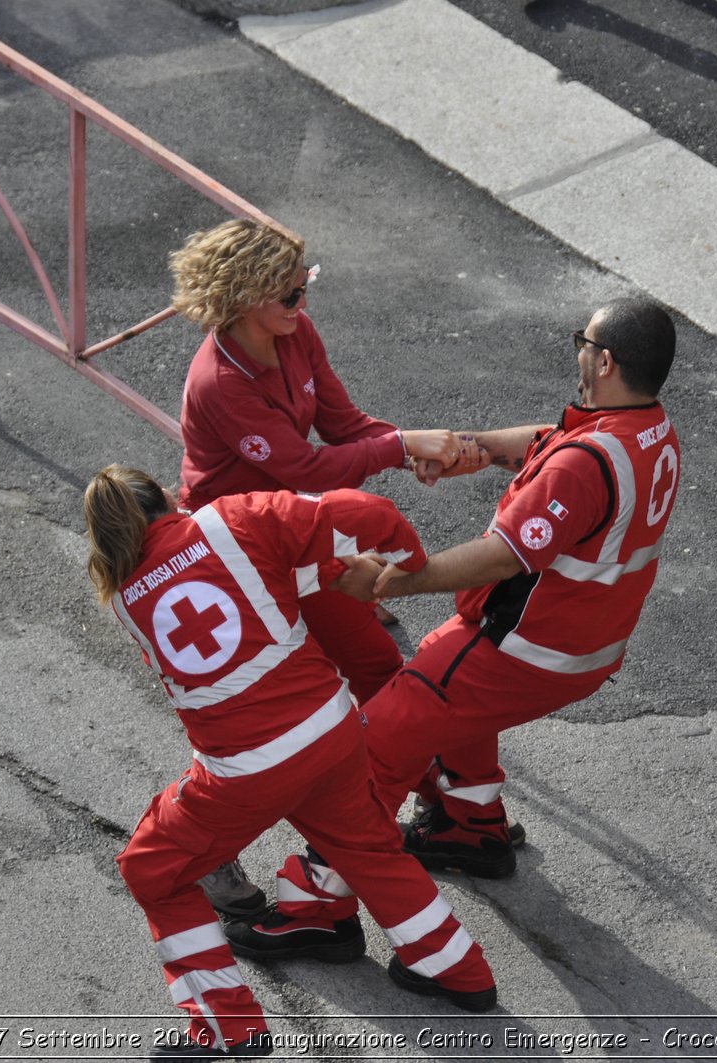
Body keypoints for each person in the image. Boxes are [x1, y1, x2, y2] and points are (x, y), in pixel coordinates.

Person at [257, 297, 681, 938]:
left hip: (526, 647)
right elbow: (552, 440)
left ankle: (317, 906)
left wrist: (391, 583)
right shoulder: (648, 431)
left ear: (603, 360)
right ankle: (471, 826)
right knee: (451, 691)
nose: (577, 351)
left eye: (581, 341)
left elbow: (502, 557)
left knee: (383, 734)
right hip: (584, 647)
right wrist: (471, 449)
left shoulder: (585, 465)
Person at [84, 465, 497, 1060]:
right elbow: (369, 513)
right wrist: (410, 565)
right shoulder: (233, 518)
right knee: (367, 845)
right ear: (170, 500)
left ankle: (229, 1031)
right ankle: (460, 972)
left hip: (246, 767)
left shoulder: (125, 596)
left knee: (151, 869)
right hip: (330, 729)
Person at [169, 218, 484, 915]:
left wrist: (409, 450)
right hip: (237, 564)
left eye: (304, 284)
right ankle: (204, 849)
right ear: (246, 293)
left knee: (376, 664)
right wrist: (402, 444)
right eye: (288, 289)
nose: (301, 298)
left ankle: (441, 810)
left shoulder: (295, 334)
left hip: (296, 538)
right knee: (260, 718)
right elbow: (301, 465)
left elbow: (343, 427)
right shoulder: (219, 381)